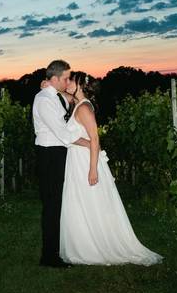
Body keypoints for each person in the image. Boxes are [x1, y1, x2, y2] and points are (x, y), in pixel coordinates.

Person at [57, 71, 163, 266]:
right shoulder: (79, 105)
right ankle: (84, 243)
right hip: (78, 158)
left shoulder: (83, 109)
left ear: (80, 85)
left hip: (85, 162)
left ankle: (94, 247)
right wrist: (49, 86)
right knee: (82, 202)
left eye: (71, 80)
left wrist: (93, 170)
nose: (67, 82)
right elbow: (65, 98)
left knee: (89, 201)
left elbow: (95, 139)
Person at [31, 60, 90, 268]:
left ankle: (57, 250)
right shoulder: (44, 101)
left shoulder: (54, 95)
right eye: (65, 78)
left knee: (58, 204)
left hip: (58, 153)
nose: (68, 82)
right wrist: (88, 138)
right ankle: (49, 256)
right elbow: (64, 134)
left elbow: (67, 103)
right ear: (55, 78)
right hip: (49, 155)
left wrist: (59, 91)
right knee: (52, 206)